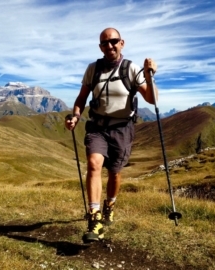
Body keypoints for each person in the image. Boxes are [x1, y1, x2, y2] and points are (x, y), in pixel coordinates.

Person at [65, 27, 158, 242]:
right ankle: (94, 218)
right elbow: (81, 98)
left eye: (113, 41)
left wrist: (150, 76)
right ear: (100, 47)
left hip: (122, 129)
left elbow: (151, 100)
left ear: (122, 43)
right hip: (97, 127)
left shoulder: (132, 69)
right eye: (105, 43)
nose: (109, 46)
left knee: (115, 172)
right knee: (94, 164)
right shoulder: (93, 69)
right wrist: (76, 116)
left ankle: (110, 204)